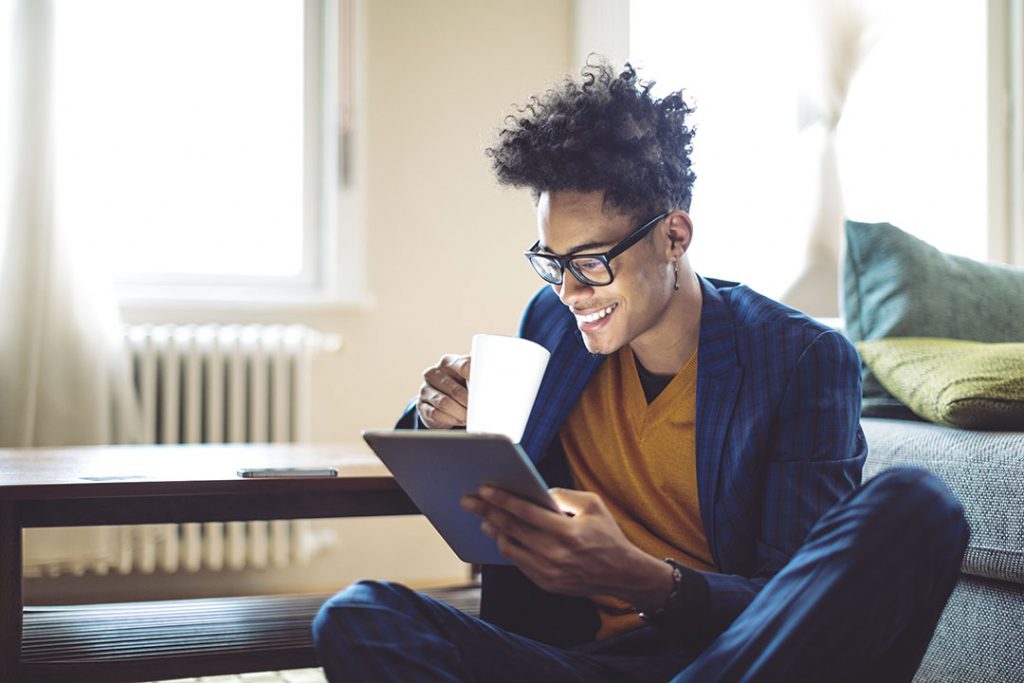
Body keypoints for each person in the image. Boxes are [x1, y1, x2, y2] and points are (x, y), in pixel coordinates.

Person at [312, 60, 969, 682]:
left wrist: (642, 577)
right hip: (578, 661)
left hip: (729, 659)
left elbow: (795, 601)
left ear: (674, 237)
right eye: (553, 261)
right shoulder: (550, 325)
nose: (570, 291)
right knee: (361, 615)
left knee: (921, 506)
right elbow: (476, 484)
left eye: (593, 261)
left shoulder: (798, 359)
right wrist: (435, 416)